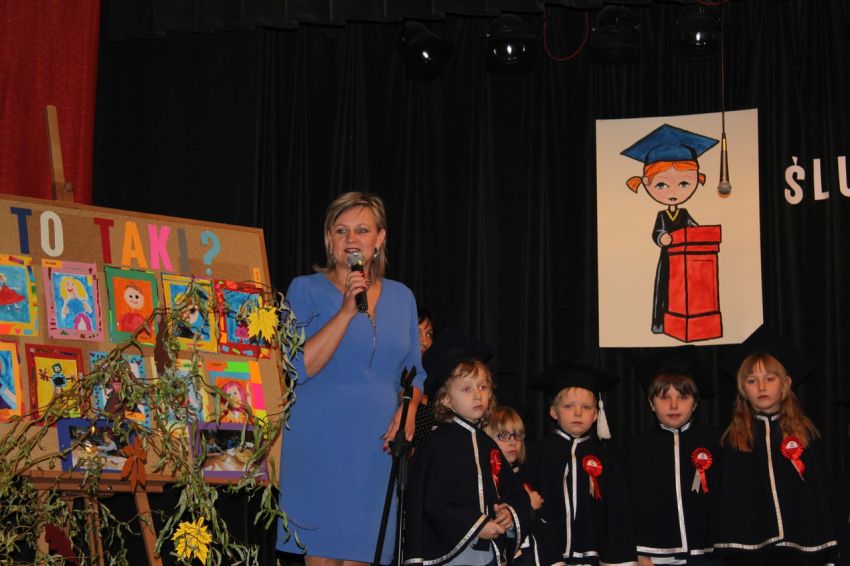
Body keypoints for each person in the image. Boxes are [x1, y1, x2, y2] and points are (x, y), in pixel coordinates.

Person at [276, 192, 425, 565]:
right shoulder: (304, 289)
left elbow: (415, 374)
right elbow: (296, 367)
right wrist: (345, 312)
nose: (351, 238)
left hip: (375, 451)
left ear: (380, 238)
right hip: (320, 446)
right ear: (330, 239)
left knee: (364, 554)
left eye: (362, 229)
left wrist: (408, 414)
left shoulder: (402, 298)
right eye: (341, 230)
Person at [713, 324, 836, 564]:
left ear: (786, 383)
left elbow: (818, 494)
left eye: (770, 379)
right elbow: (731, 500)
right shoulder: (734, 440)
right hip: (751, 551)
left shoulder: (805, 435)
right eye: (752, 380)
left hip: (801, 548)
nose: (762, 387)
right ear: (742, 388)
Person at [405, 346, 530, 564]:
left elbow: (514, 492)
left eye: (483, 387)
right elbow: (434, 502)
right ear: (446, 399)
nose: (477, 395)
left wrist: (509, 513)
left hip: (488, 554)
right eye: (466, 389)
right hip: (452, 554)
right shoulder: (438, 443)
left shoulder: (487, 444)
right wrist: (477, 525)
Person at [523, 360, 637, 565]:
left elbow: (617, 515)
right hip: (548, 555)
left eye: (586, 407)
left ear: (595, 415)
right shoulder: (537, 454)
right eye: (568, 406)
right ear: (553, 411)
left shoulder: (606, 460)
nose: (578, 413)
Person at [625, 346, 720, 565]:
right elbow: (628, 506)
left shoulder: (716, 443)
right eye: (664, 397)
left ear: (695, 403)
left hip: (707, 552)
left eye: (683, 397)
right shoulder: (637, 449)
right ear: (651, 403)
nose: (673, 405)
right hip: (655, 555)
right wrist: (639, 552)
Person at [621, 124, 718, 334]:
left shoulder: (684, 213)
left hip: (686, 260)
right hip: (668, 258)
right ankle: (660, 322)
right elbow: (657, 233)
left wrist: (700, 233)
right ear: (646, 183)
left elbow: (694, 228)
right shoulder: (662, 215)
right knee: (663, 288)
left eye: (684, 184)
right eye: (662, 185)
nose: (673, 191)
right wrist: (661, 238)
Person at [485, 405, 561, 565]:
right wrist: (527, 505)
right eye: (503, 435)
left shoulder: (523, 475)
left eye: (518, 435)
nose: (513, 442)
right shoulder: (488, 479)